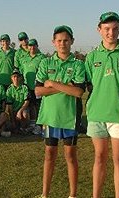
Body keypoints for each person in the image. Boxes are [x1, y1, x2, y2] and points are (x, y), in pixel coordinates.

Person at [84, 12, 119, 198]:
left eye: (114, 29)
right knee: (99, 158)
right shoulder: (91, 56)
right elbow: (90, 84)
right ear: (99, 30)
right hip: (96, 114)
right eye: (106, 29)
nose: (110, 33)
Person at [35, 25, 85, 198]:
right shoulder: (46, 62)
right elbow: (38, 91)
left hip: (70, 117)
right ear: (53, 42)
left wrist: (53, 83)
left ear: (72, 41)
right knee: (49, 155)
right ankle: (45, 194)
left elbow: (78, 92)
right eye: (59, 40)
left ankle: (72, 195)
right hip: (50, 117)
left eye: (66, 40)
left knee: (70, 155)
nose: (62, 43)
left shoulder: (78, 64)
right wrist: (66, 87)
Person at [19, 38, 46, 132]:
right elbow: (21, 72)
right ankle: (33, 124)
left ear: (37, 46)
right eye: (30, 45)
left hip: (38, 86)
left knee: (39, 106)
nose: (32, 47)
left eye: (34, 45)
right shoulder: (24, 59)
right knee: (30, 106)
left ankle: (40, 124)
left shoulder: (41, 57)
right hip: (27, 86)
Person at [6, 68, 30, 134]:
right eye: (14, 77)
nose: (16, 78)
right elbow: (9, 106)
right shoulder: (9, 89)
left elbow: (27, 102)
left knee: (25, 114)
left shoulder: (24, 87)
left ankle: (23, 128)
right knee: (10, 126)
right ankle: (16, 127)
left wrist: (20, 111)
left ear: (20, 78)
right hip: (13, 111)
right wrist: (13, 120)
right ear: (11, 78)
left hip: (22, 110)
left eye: (17, 77)